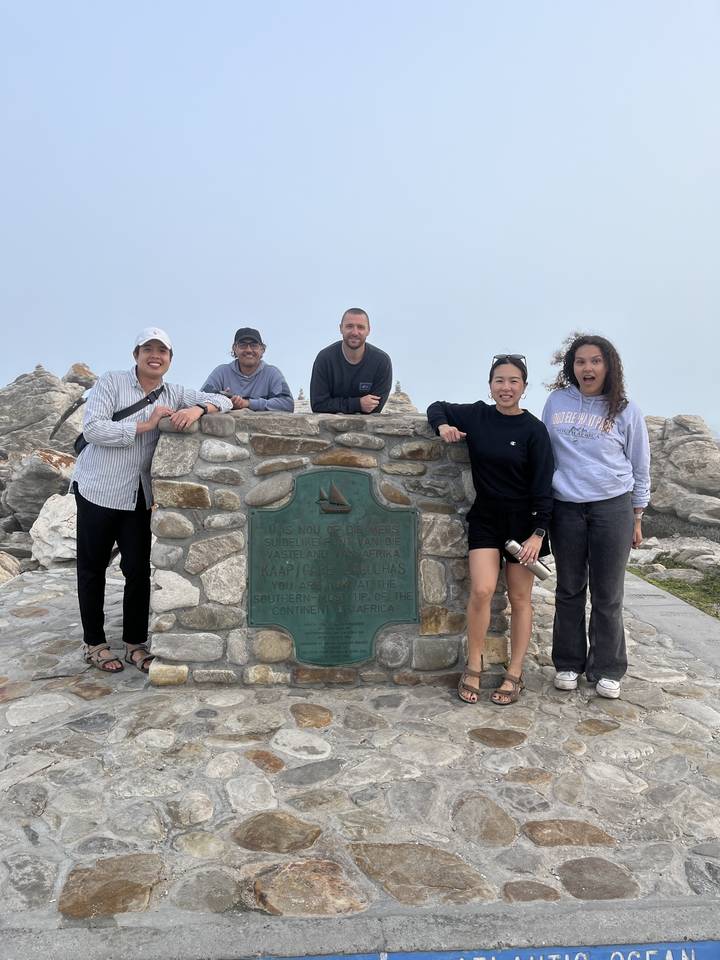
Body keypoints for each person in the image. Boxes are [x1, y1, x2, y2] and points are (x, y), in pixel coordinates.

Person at [72, 327, 232, 674]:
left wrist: (200, 409)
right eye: (148, 349)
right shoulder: (112, 383)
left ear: (170, 359)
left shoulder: (174, 392)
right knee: (92, 569)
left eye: (162, 351)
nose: (155, 356)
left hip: (137, 497)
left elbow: (225, 400)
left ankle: (134, 644)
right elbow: (93, 429)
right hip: (98, 489)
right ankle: (95, 643)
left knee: (138, 571)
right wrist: (145, 426)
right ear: (136, 355)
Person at [427, 354, 554, 705]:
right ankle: (474, 664)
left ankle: (515, 672)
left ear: (524, 387)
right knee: (482, 590)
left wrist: (538, 533)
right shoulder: (478, 415)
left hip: (525, 526)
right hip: (486, 519)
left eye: (514, 381)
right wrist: (442, 426)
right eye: (500, 380)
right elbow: (436, 406)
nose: (506, 387)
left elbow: (544, 486)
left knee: (520, 598)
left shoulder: (534, 430)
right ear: (490, 385)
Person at [542, 334, 650, 700]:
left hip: (612, 507)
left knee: (608, 594)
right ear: (571, 367)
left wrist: (637, 516)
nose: (587, 368)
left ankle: (607, 668)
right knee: (569, 588)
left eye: (595, 361)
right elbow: (545, 454)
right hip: (567, 506)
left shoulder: (625, 408)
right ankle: (568, 663)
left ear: (608, 366)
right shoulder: (556, 402)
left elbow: (639, 465)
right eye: (580, 362)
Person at [310, 308, 392, 414]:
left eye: (361, 327)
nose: (355, 332)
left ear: (368, 330)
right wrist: (358, 404)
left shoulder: (381, 362)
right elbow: (318, 405)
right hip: (329, 428)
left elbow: (374, 408)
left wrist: (337, 405)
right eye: (349, 326)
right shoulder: (325, 359)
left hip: (366, 429)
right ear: (341, 328)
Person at [201, 327, 294, 411]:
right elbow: (200, 399)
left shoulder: (272, 373)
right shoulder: (221, 372)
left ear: (262, 349)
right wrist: (222, 399)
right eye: (243, 345)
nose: (249, 350)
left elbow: (287, 404)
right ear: (234, 348)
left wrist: (248, 403)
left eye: (254, 345)